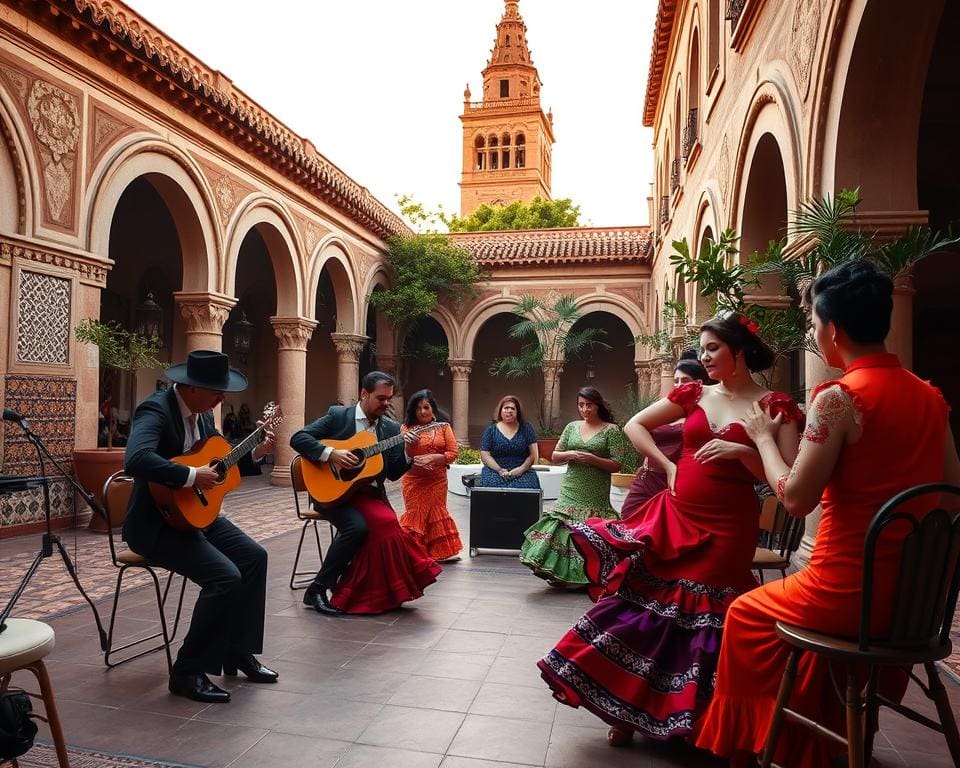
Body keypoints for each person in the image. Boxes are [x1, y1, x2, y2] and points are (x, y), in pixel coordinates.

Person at [695, 262, 960, 767]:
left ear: (833, 329)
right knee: (810, 632)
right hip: (914, 605)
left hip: (845, 595)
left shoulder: (839, 399)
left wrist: (760, 441)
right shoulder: (931, 396)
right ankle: (825, 734)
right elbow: (952, 495)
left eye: (814, 324)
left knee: (744, 613)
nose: (816, 334)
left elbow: (796, 499)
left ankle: (754, 746)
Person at [537, 312, 803, 746]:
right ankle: (624, 706)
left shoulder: (776, 407)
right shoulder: (694, 393)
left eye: (712, 348)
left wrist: (743, 450)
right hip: (676, 514)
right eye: (701, 348)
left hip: (729, 527)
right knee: (646, 598)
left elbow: (785, 480)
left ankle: (696, 720)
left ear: (738, 350)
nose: (703, 355)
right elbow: (635, 425)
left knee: (701, 613)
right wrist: (667, 465)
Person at [123, 350, 277, 704]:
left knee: (254, 557)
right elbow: (136, 459)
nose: (222, 398)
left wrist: (253, 452)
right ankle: (187, 672)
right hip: (155, 524)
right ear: (191, 387)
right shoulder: (156, 409)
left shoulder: (204, 418)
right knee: (224, 576)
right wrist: (192, 475)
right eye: (216, 390)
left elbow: (219, 466)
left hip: (195, 518)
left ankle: (237, 652)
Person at [291, 371, 442, 615]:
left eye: (389, 399)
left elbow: (392, 473)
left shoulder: (391, 428)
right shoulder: (338, 416)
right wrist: (332, 453)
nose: (386, 404)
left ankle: (382, 594)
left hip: (367, 495)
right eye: (381, 398)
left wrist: (408, 452)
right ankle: (318, 588)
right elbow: (298, 438)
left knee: (390, 523)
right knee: (360, 528)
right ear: (364, 394)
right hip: (333, 493)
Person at [520, 387, 627, 587]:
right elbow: (555, 456)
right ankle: (562, 575)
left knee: (590, 529)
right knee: (563, 526)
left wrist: (593, 459)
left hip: (595, 489)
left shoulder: (611, 430)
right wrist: (572, 455)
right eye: (581, 405)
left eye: (589, 405)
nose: (585, 409)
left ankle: (589, 576)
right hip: (572, 485)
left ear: (598, 405)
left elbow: (617, 464)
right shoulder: (572, 427)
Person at [620, 356, 711, 516]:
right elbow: (632, 427)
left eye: (685, 380)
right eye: (676, 381)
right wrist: (666, 464)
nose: (678, 386)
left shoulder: (703, 416)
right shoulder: (666, 411)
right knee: (629, 519)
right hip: (648, 477)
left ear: (700, 383)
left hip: (676, 482)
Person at [399, 390, 463, 562]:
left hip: (437, 479)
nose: (422, 412)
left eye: (426, 407)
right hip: (413, 480)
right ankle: (413, 554)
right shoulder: (406, 429)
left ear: (433, 408)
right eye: (418, 408)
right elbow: (403, 455)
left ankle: (438, 553)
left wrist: (436, 458)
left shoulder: (443, 427)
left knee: (436, 512)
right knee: (415, 514)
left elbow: (453, 452)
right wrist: (409, 445)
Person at [477, 395, 541, 489]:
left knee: (528, 487)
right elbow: (485, 455)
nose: (509, 411)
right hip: (495, 470)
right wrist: (500, 470)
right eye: (506, 408)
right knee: (490, 486)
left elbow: (533, 455)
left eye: (513, 408)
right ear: (500, 410)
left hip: (522, 471)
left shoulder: (526, 428)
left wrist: (521, 469)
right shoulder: (491, 429)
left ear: (517, 412)